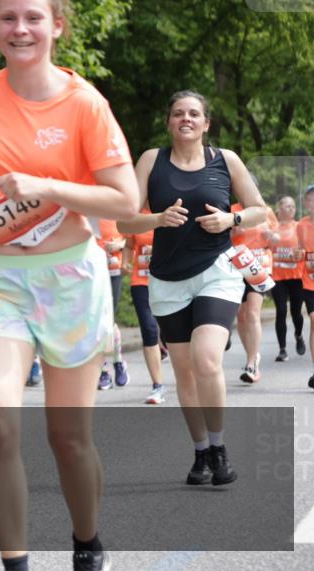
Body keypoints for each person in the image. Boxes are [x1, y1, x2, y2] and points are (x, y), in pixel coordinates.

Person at [0, 0, 138, 571]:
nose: (20, 28)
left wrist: (47, 187)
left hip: (69, 281)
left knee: (68, 438)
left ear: (57, 26)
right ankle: (16, 564)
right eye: (8, 18)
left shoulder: (85, 105)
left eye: (33, 17)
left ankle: (87, 540)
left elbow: (124, 200)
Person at [117, 89, 267, 490]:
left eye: (194, 113)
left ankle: (219, 448)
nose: (186, 118)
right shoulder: (152, 160)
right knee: (184, 371)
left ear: (206, 123)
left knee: (206, 361)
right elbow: (124, 222)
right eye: (179, 113)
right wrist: (156, 218)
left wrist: (231, 220)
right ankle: (200, 451)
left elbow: (259, 209)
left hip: (217, 271)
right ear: (169, 122)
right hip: (167, 279)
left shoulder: (225, 160)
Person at [122, 210, 167, 404]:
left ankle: (163, 344)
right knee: (149, 329)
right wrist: (125, 261)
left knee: (171, 328)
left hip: (167, 281)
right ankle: (158, 386)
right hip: (141, 282)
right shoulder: (136, 216)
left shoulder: (168, 210)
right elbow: (129, 244)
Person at [229, 200, 277, 382]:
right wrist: (233, 233)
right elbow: (222, 239)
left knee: (252, 313)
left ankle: (251, 365)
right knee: (241, 316)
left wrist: (272, 237)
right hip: (238, 263)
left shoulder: (265, 210)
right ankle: (252, 354)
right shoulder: (232, 210)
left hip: (258, 265)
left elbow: (277, 237)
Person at [270, 195, 307, 361]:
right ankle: (282, 350)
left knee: (296, 312)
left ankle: (298, 335)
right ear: (279, 208)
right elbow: (265, 246)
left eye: (293, 206)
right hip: (277, 277)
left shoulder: (299, 227)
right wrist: (268, 240)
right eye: (287, 205)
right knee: (281, 311)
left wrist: (302, 253)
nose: (291, 208)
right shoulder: (273, 227)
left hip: (297, 276)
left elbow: (308, 247)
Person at [95, 219, 127, 390]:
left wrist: (120, 245)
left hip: (113, 271)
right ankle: (103, 370)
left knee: (109, 321)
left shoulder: (116, 211)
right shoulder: (85, 212)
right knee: (96, 323)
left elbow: (132, 239)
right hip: (91, 273)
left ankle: (118, 362)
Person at [297, 183, 314, 389]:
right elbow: (299, 250)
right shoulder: (301, 225)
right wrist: (298, 254)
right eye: (311, 199)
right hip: (309, 281)